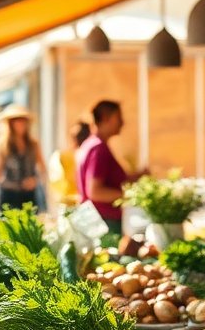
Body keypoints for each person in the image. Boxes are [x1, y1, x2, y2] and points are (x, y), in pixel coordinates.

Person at [76, 100, 142, 236]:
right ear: (106, 119)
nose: (122, 123)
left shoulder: (90, 144)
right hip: (104, 223)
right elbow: (95, 191)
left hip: (97, 221)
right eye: (118, 117)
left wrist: (135, 177)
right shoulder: (98, 149)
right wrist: (129, 196)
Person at [0, 105, 47, 210]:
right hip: (8, 193)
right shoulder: (2, 144)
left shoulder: (33, 144)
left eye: (23, 120)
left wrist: (35, 180)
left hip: (28, 194)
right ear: (10, 123)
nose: (21, 124)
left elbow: (42, 168)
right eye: (17, 120)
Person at [48, 120, 91, 209]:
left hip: (68, 202)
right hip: (85, 203)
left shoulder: (60, 155)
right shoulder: (89, 156)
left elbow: (55, 181)